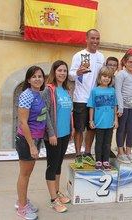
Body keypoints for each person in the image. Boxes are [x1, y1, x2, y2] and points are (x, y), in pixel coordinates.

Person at [68, 29, 105, 169]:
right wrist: (77, 72)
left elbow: (104, 75)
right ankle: (78, 155)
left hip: (96, 99)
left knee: (92, 128)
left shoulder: (102, 57)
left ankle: (88, 153)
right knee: (79, 129)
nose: (95, 41)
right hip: (81, 98)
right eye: (92, 38)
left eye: (97, 38)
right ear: (86, 39)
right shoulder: (79, 55)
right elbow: (70, 75)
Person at [15, 66, 47, 220]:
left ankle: (22, 201)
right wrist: (32, 145)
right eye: (34, 76)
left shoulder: (38, 94)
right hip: (27, 140)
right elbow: (23, 123)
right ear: (28, 79)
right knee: (24, 174)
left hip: (36, 138)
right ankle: (21, 208)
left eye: (40, 76)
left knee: (27, 173)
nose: (37, 79)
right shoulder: (26, 95)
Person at [42, 60, 73, 213]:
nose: (62, 73)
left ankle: (57, 192)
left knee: (59, 164)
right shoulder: (49, 90)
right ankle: (53, 199)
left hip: (65, 134)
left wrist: (71, 129)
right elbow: (45, 112)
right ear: (54, 72)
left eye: (65, 71)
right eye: (59, 70)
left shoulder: (66, 90)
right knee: (52, 165)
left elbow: (69, 112)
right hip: (54, 135)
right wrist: (51, 133)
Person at [87, 66, 118, 170]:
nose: (106, 78)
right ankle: (98, 161)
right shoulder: (94, 90)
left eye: (109, 77)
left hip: (109, 123)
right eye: (104, 76)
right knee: (99, 143)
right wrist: (91, 120)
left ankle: (106, 160)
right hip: (99, 123)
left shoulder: (112, 90)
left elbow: (114, 106)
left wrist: (116, 120)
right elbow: (92, 106)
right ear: (100, 77)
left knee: (107, 143)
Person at [115, 53, 132, 163]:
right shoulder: (121, 74)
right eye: (130, 62)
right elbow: (118, 91)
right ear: (125, 62)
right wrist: (120, 107)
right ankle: (120, 152)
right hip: (123, 107)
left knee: (131, 129)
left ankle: (128, 151)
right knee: (122, 129)